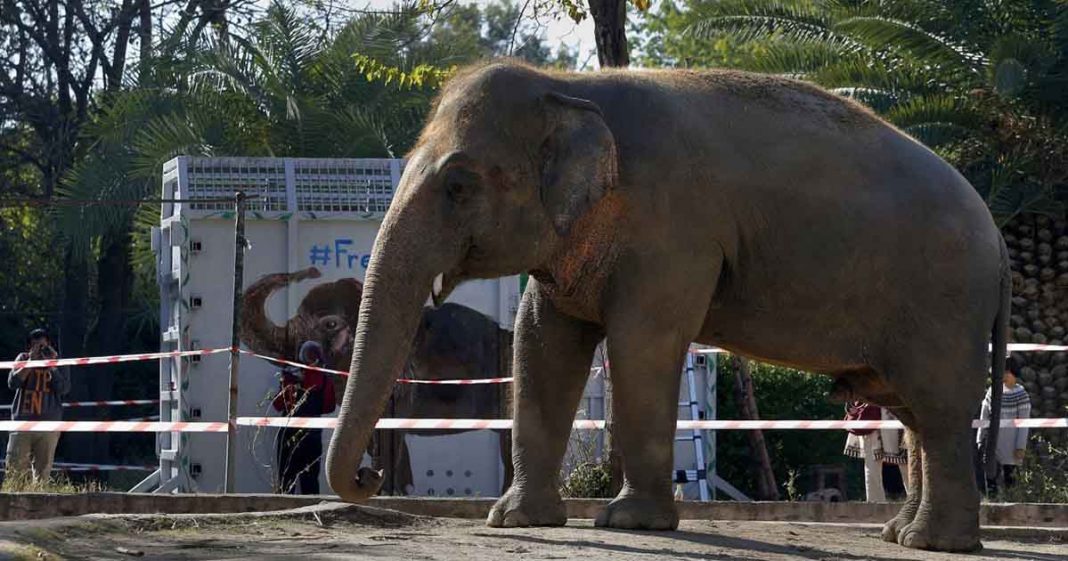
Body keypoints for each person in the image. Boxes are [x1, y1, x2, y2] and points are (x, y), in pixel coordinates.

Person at [5, 328, 71, 483]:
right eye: (36, 346)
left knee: (43, 473)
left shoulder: (59, 361)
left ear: (50, 345)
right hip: (22, 424)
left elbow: (64, 389)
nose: (41, 350)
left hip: (48, 425)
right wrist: (30, 362)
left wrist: (52, 365)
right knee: (15, 470)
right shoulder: (22, 358)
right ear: (29, 347)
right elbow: (12, 383)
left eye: (43, 346)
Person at [272, 341, 336, 494]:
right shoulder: (324, 380)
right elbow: (329, 407)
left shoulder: (293, 377)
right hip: (310, 438)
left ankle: (285, 513)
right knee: (309, 484)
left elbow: (278, 405)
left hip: (293, 437)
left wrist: (290, 382)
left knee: (287, 484)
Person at [977, 356, 1031, 493]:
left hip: (1012, 448)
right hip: (993, 446)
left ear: (1013, 372)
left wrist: (1020, 447)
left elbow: (1023, 424)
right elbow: (984, 415)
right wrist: (980, 438)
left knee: (1011, 482)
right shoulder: (992, 392)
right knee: (991, 480)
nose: (1003, 376)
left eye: (1006, 372)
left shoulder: (1022, 395)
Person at [844, 401, 908, 502]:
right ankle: (875, 504)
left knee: (905, 461)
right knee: (872, 464)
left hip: (893, 416)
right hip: (872, 416)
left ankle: (916, 500)